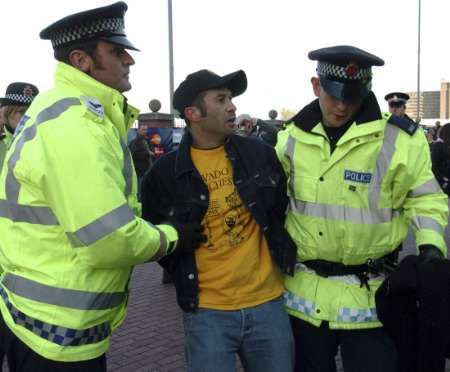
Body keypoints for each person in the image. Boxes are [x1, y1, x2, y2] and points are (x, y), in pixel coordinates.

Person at [0, 2, 205, 371]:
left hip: (42, 318)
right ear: (81, 60)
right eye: (116, 51)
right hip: (59, 334)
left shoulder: (61, 109)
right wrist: (172, 237)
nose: (130, 60)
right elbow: (108, 240)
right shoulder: (75, 125)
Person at [275, 45, 448, 372]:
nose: (341, 106)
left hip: (371, 298)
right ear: (316, 86)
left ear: (367, 90)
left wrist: (431, 246)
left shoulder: (400, 140)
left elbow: (425, 197)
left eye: (351, 97)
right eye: (333, 95)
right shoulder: (290, 138)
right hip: (303, 298)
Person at [141, 69, 297, 372]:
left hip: (268, 305)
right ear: (193, 113)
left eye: (231, 98)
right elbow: (154, 234)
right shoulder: (164, 174)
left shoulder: (260, 155)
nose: (233, 107)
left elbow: (278, 210)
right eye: (221, 99)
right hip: (206, 312)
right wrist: (180, 260)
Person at [0, 82, 39, 170]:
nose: (29, 116)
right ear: (5, 114)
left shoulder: (44, 143)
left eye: (33, 110)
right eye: (22, 111)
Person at [128, 123, 153, 199]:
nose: (145, 131)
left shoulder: (148, 140)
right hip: (140, 170)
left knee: (148, 189)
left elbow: (151, 151)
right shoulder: (135, 142)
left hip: (149, 168)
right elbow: (134, 155)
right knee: (140, 191)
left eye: (146, 129)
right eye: (143, 129)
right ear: (138, 130)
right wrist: (147, 153)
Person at [430, 123, 450, 195]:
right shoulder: (438, 146)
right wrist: (444, 181)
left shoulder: (446, 145)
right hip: (443, 183)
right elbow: (434, 167)